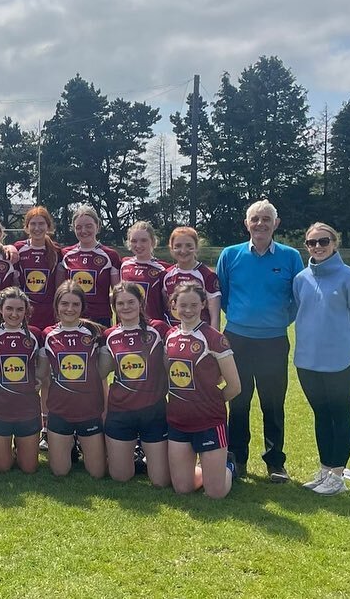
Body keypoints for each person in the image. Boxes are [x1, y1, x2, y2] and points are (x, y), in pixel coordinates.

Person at [216, 200, 303, 483]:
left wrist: (277, 321)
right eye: (255, 219)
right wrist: (243, 319)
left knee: (273, 403)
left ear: (276, 224)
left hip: (274, 341)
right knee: (238, 402)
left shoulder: (290, 257)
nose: (261, 224)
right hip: (237, 341)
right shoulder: (230, 255)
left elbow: (297, 300)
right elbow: (224, 296)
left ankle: (275, 462)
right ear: (246, 224)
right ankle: (237, 459)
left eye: (267, 219)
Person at [293, 222, 350, 495]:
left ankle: (338, 476)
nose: (318, 247)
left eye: (323, 241)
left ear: (334, 243)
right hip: (307, 362)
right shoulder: (301, 278)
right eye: (312, 242)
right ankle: (326, 469)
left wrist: (349, 351)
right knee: (322, 415)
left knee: (340, 414)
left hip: (341, 363)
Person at [164, 284, 241, 499]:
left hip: (209, 422)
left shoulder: (214, 338)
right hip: (178, 421)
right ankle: (208, 469)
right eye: (183, 305)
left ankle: (228, 467)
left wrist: (212, 403)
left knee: (215, 493)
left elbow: (235, 386)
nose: (188, 310)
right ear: (174, 305)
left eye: (194, 305)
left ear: (203, 305)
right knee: (182, 488)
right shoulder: (169, 336)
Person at [100, 282, 170, 487]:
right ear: (114, 307)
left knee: (160, 481)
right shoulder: (109, 335)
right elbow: (102, 372)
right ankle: (137, 457)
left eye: (131, 301)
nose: (126, 307)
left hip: (154, 410)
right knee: (120, 477)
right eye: (120, 303)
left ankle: (222, 464)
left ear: (141, 303)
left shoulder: (158, 329)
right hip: (121, 411)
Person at [40, 281, 108, 479]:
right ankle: (67, 444)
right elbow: (43, 377)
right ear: (57, 306)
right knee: (60, 472)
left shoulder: (96, 334)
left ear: (82, 307)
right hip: (60, 412)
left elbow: (102, 376)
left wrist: (104, 410)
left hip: (89, 411)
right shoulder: (47, 335)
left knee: (97, 473)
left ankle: (81, 443)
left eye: (75, 304)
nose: (69, 309)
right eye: (65, 304)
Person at [0, 287, 43, 474]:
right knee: (2, 467)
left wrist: (39, 378)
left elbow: (42, 365)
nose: (14, 314)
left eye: (20, 309)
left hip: (27, 409)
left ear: (26, 311)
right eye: (9, 308)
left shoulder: (34, 334)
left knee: (29, 468)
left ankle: (22, 446)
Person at [61, 205, 121, 326]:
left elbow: (117, 294)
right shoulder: (65, 254)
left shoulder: (110, 255)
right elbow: (59, 293)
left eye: (89, 226)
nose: (83, 231)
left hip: (100, 318)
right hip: (72, 317)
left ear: (97, 227)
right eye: (79, 227)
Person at [12, 207, 65, 331]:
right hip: (25, 312)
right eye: (33, 224)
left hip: (49, 312)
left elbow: (59, 287)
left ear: (48, 226)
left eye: (41, 224)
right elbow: (14, 281)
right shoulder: (18, 248)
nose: (37, 228)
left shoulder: (56, 251)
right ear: (26, 226)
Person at [162, 227, 221, 330]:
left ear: (196, 247)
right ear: (171, 248)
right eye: (178, 246)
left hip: (200, 335)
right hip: (174, 335)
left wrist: (213, 339)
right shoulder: (166, 274)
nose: (183, 250)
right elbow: (165, 309)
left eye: (189, 246)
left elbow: (215, 315)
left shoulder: (207, 275)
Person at [120, 221, 169, 322]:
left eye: (143, 240)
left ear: (153, 242)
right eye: (134, 241)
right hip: (127, 325)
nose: (138, 245)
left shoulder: (163, 269)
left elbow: (167, 304)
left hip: (152, 326)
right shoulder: (124, 264)